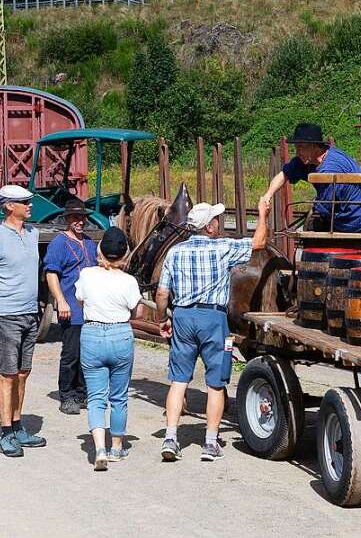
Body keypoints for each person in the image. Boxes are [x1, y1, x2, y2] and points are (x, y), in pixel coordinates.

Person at [155, 199, 270, 462]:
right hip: (213, 318)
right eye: (216, 219)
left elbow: (162, 293)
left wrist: (164, 318)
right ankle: (210, 442)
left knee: (179, 380)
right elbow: (259, 243)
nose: (219, 223)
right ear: (209, 227)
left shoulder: (175, 252)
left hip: (183, 316)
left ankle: (171, 438)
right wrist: (262, 215)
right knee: (215, 383)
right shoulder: (223, 248)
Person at [0, 184, 46, 458]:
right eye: (25, 202)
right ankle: (6, 433)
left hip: (30, 312)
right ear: (9, 206)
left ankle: (18, 427)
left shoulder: (33, 233)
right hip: (6, 314)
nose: (30, 205)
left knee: (23, 372)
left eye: (29, 201)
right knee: (7, 374)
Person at [74, 228, 146, 471]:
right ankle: (116, 446)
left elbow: (80, 299)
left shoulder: (86, 274)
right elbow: (138, 311)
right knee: (119, 396)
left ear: (100, 250)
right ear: (125, 252)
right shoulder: (129, 281)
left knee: (95, 397)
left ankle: (99, 448)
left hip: (92, 334)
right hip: (120, 334)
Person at [259, 122, 361, 233]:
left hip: (360, 215)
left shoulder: (330, 168)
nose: (298, 153)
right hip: (349, 211)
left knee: (313, 229)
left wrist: (315, 206)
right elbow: (284, 174)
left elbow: (326, 205)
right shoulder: (309, 159)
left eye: (301, 148)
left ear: (315, 146)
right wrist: (268, 195)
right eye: (296, 148)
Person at [43, 197, 97, 415]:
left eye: (82, 217)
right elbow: (51, 274)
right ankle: (67, 395)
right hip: (71, 307)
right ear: (67, 219)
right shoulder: (59, 243)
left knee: (88, 354)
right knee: (71, 353)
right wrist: (61, 300)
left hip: (91, 309)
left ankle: (83, 392)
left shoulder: (90, 243)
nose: (80, 221)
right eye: (75, 217)